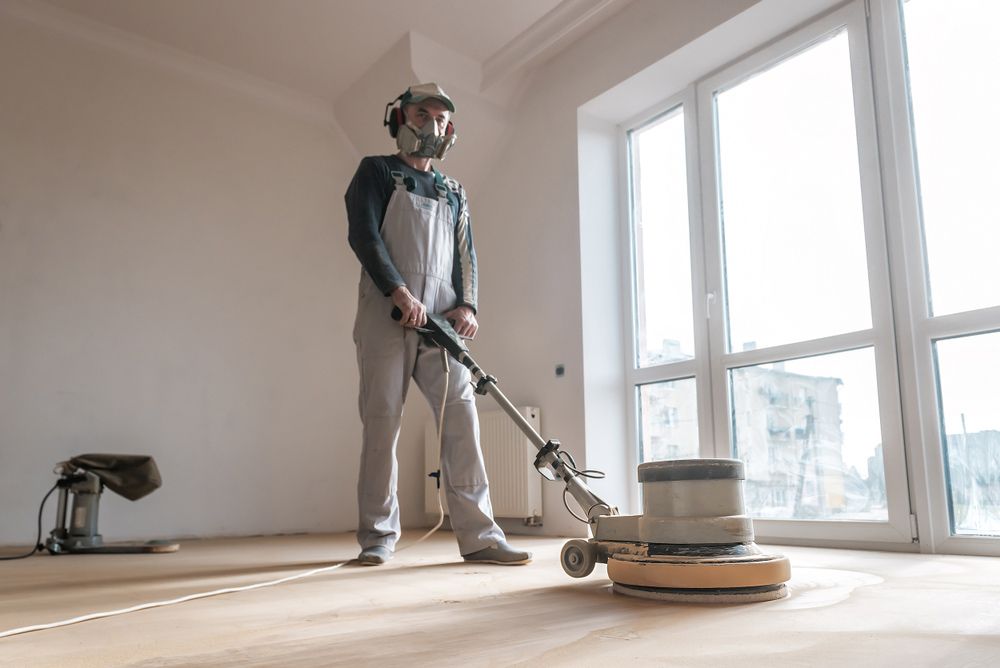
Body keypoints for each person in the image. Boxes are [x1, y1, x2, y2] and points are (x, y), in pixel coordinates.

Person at [345, 82, 531, 567]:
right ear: (400, 119)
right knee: (382, 423)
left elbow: (466, 254)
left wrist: (468, 306)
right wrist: (398, 290)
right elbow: (364, 235)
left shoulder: (454, 190)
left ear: (452, 130)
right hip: (388, 312)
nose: (432, 125)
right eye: (422, 114)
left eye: (442, 118)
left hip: (442, 321)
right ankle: (378, 537)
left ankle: (480, 536)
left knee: (462, 423)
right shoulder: (377, 171)